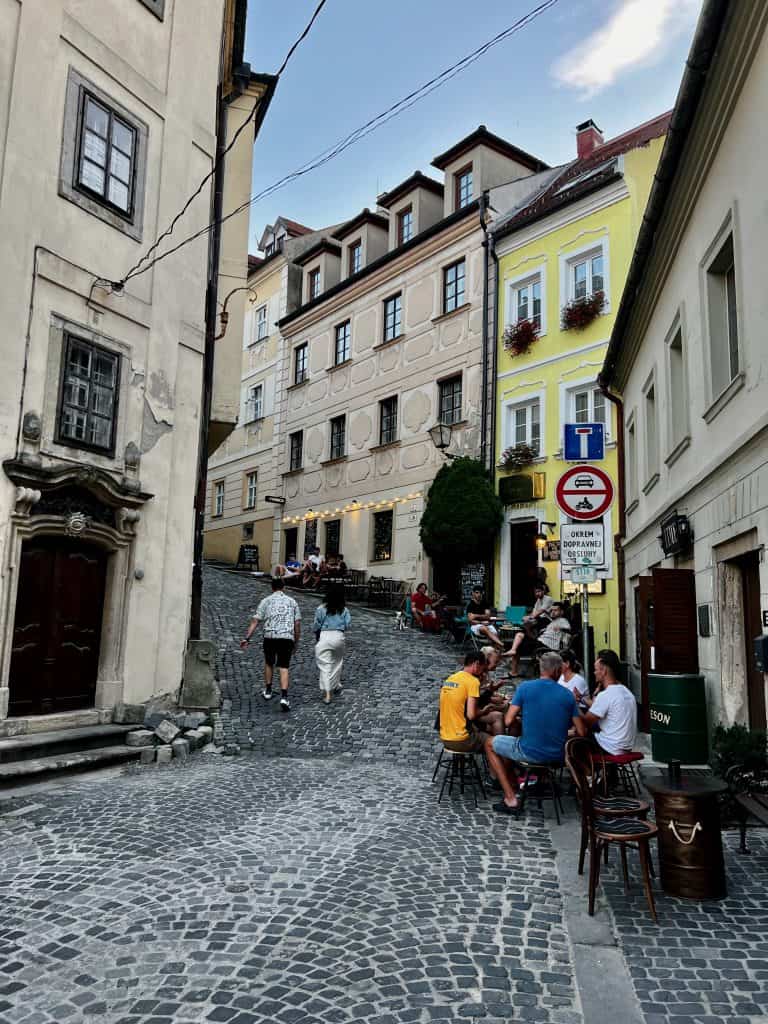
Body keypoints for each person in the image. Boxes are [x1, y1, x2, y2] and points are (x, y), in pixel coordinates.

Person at [484, 652, 586, 814]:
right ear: (558, 671)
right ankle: (532, 780)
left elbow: (509, 721)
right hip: (557, 754)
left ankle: (510, 797)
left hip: (529, 751)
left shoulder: (525, 688)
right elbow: (581, 731)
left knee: (489, 743)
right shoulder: (567, 695)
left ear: (541, 669)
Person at [240, 577, 301, 711]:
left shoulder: (265, 601)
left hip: (270, 636)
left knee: (269, 662)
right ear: (283, 587)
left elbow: (255, 621)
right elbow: (297, 624)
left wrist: (247, 638)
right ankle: (284, 697)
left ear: (272, 588)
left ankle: (268, 690)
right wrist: (296, 641)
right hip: (286, 637)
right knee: (284, 666)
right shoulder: (292, 602)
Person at [582, 649, 637, 755]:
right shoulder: (627, 692)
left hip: (609, 748)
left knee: (574, 739)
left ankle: (585, 771)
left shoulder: (606, 694)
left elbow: (586, 722)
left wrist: (573, 706)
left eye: (596, 669)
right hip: (625, 747)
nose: (594, 673)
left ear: (604, 671)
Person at [438, 651, 488, 752]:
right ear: (476, 664)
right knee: (492, 743)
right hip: (461, 740)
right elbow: (471, 715)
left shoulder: (450, 678)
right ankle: (501, 767)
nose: (483, 672)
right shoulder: (473, 681)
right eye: (483, 668)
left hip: (444, 737)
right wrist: (485, 710)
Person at [313, 583, 352, 704]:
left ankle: (327, 694)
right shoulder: (344, 609)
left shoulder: (321, 608)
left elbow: (316, 625)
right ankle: (335, 685)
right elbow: (347, 625)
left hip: (325, 635)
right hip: (338, 637)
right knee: (337, 663)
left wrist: (317, 636)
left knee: (325, 666)